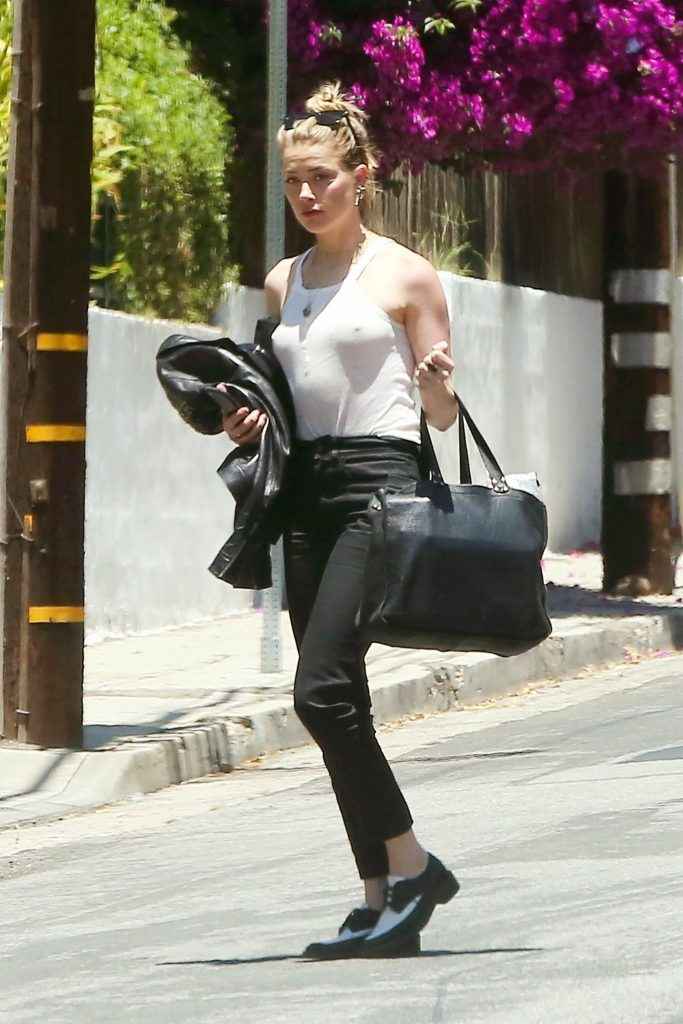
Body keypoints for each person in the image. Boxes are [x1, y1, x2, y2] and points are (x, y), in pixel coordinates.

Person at [222, 82, 459, 959]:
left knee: (317, 689)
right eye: (293, 182)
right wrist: (247, 421)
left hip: (377, 491)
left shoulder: (403, 274)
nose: (306, 195)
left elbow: (440, 417)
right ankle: (376, 898)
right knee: (341, 699)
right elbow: (284, 396)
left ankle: (414, 865)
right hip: (305, 495)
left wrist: (436, 384)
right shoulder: (284, 281)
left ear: (360, 175)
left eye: (321, 177)